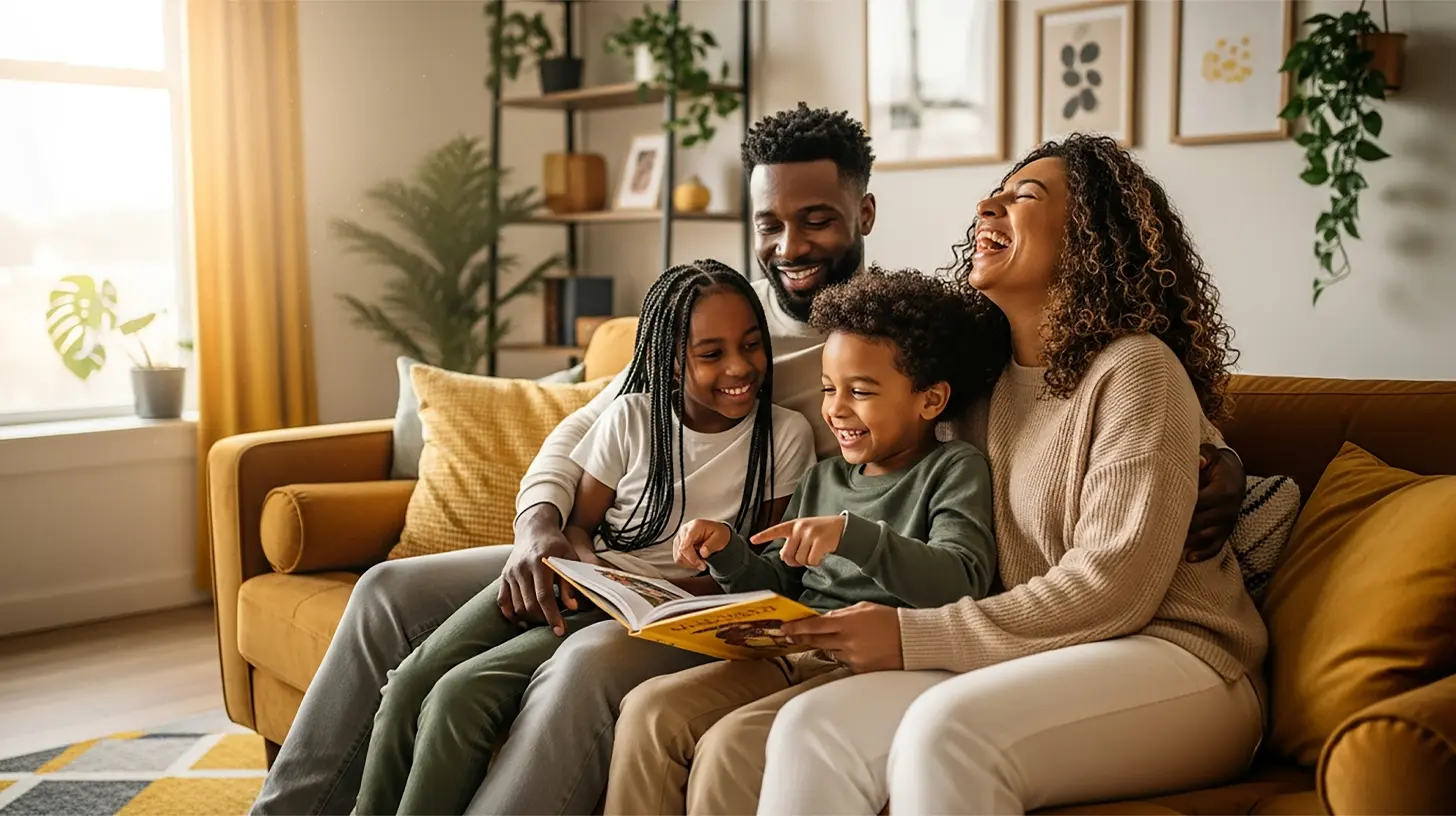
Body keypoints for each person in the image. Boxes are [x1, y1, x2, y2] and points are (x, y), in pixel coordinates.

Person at [251, 105, 1247, 816]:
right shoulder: (733, 324)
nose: (789, 243)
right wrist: (541, 530)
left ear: (862, 216)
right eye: (769, 223)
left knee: (595, 674)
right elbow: (586, 419)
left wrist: (1220, 458)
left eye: (815, 218)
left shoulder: (919, 339)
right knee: (384, 594)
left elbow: (1103, 447)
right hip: (631, 556)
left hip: (750, 592)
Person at [740, 133, 1269, 815]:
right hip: (1037, 655)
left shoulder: (1135, 369)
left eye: (1024, 196)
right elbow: (862, 429)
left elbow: (1114, 590)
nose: (987, 204)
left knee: (947, 733)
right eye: (995, 193)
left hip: (1185, 662)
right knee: (814, 728)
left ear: (1087, 237)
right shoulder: (973, 390)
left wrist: (910, 637)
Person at [349, 260, 816, 815]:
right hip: (593, 588)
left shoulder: (785, 436)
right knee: (413, 682)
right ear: (669, 363)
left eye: (752, 345)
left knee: (460, 695)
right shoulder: (629, 418)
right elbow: (580, 524)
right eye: (711, 353)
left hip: (668, 615)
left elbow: (762, 563)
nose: (740, 366)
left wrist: (703, 573)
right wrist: (592, 571)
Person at [604, 268, 1002, 815]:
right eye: (828, 389)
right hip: (791, 648)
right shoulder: (825, 478)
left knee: (729, 745)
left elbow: (961, 581)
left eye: (859, 392)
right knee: (649, 711)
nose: (835, 409)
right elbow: (777, 580)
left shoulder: (954, 468)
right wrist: (728, 552)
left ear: (930, 400)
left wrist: (853, 537)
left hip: (873, 661)